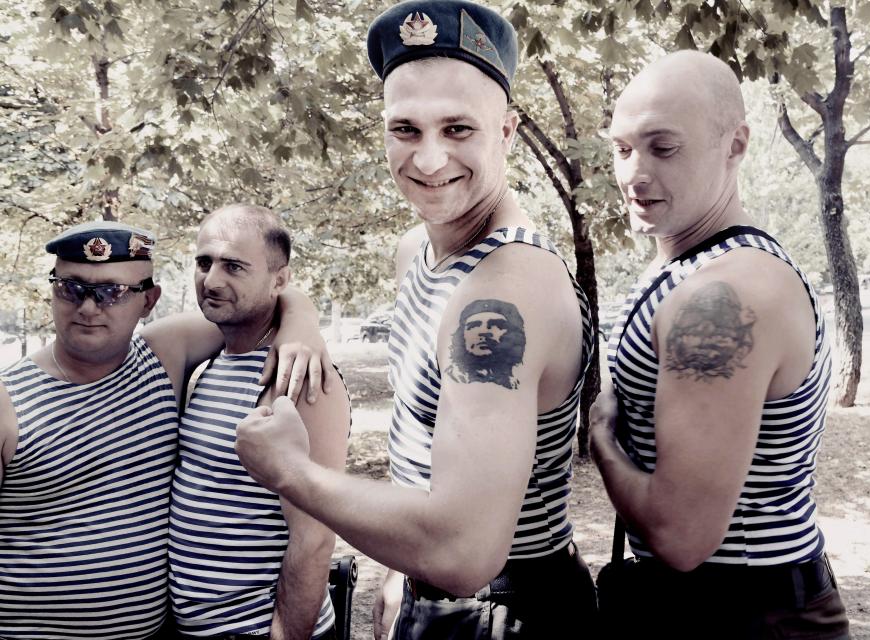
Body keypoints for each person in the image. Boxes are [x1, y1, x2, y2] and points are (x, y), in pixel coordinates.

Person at [233, 1, 597, 638]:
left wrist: (293, 471)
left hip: (507, 608)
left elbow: (462, 552)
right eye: (405, 129)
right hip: (438, 591)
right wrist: (299, 314)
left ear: (507, 132)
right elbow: (426, 448)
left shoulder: (505, 289)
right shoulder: (418, 252)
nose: (429, 161)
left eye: (459, 129)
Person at [589, 50, 850, 638]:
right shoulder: (695, 267)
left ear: (735, 144)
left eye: (664, 147)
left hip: (741, 612)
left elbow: (681, 537)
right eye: (622, 148)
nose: (633, 172)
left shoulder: (722, 295)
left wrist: (601, 436)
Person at [0, 220, 329, 640]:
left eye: (111, 292)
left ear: (148, 301)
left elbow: (259, 299)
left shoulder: (163, 355)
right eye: (70, 287)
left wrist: (301, 324)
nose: (86, 307)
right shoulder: (7, 399)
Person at [168, 205, 351, 640]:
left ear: (279, 280)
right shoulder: (213, 363)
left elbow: (314, 537)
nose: (212, 280)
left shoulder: (301, 376)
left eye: (233, 266)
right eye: (203, 262)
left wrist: (286, 634)